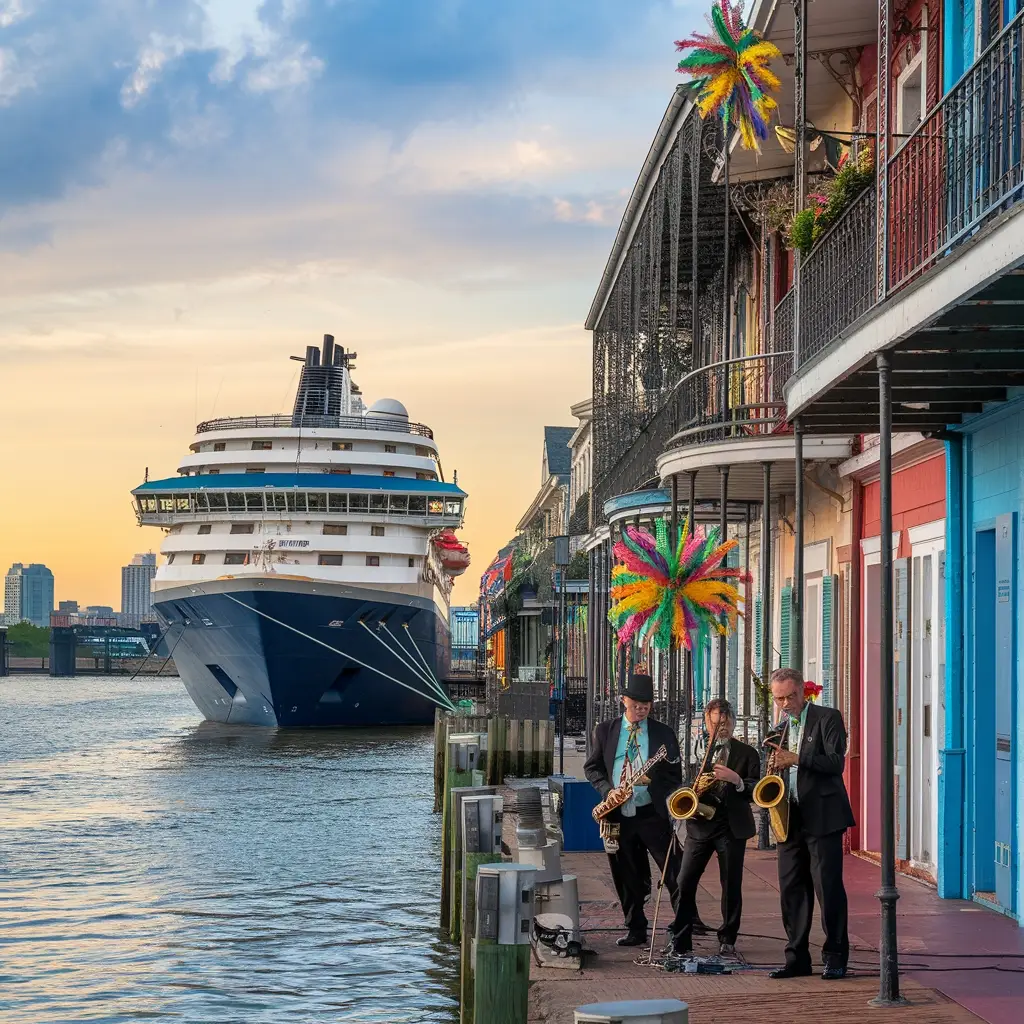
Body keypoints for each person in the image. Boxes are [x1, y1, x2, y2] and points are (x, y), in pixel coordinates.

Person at [766, 667, 856, 981]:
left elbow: (835, 763)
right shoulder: (777, 729)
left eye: (791, 695)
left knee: (827, 888)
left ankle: (835, 957)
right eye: (780, 698)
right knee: (791, 890)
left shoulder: (827, 717)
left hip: (823, 817)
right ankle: (797, 959)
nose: (786, 703)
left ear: (803, 691)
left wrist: (797, 758)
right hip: (789, 818)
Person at [584, 673, 683, 947]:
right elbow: (592, 768)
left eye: (647, 705)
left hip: (651, 812)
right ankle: (635, 928)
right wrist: (608, 791)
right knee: (625, 872)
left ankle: (683, 927)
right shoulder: (605, 730)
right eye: (636, 704)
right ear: (623, 700)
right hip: (617, 813)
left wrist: (656, 785)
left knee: (674, 870)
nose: (641, 710)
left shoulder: (664, 733)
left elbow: (675, 773)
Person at [667, 698, 761, 958]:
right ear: (707, 721)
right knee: (684, 881)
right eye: (717, 722)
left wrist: (737, 780)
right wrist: (689, 789)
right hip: (699, 823)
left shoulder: (747, 753)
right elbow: (677, 782)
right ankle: (681, 936)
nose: (722, 726)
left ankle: (728, 936)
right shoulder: (695, 749)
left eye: (726, 721)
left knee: (730, 884)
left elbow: (757, 790)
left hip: (731, 826)